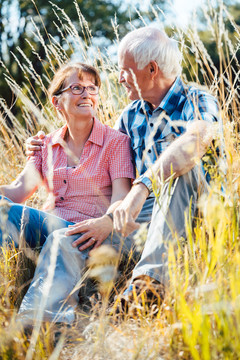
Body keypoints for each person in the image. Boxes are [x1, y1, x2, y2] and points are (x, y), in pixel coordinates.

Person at [26, 27, 222, 315]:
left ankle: (147, 288)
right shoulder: (130, 115)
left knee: (183, 172)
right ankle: (42, 322)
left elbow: (196, 140)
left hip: (195, 210)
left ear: (151, 69)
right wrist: (45, 144)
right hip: (139, 217)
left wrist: (142, 186)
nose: (118, 79)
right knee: (67, 239)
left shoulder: (197, 99)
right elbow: (102, 159)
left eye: (125, 71)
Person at [0, 61, 136, 324]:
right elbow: (17, 192)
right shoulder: (45, 144)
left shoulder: (116, 141)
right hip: (48, 225)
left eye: (92, 88)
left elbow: (121, 196)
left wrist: (105, 222)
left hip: (89, 231)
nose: (86, 93)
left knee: (61, 236)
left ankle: (40, 323)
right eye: (76, 87)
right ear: (57, 101)